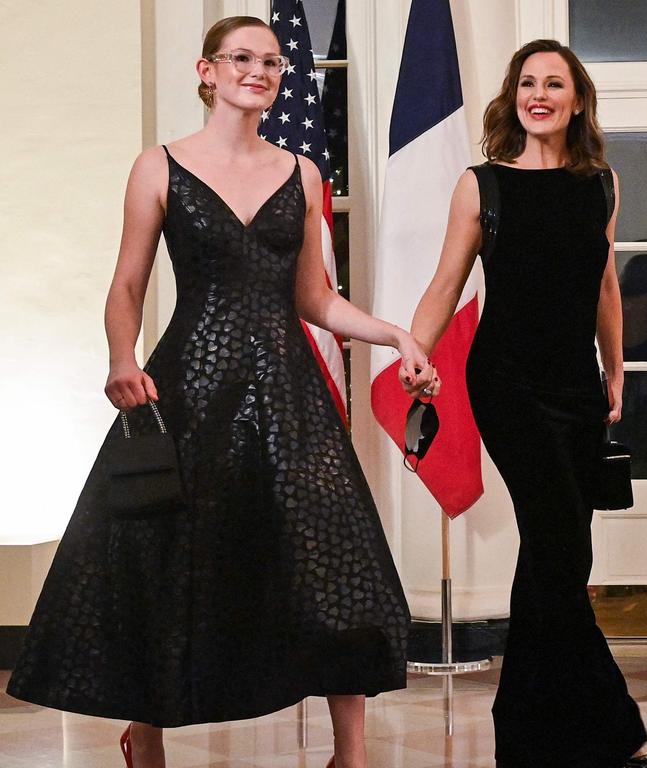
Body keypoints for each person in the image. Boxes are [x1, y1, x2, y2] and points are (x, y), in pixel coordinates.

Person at [6, 16, 433, 768]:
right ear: (207, 71)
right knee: (161, 556)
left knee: (335, 557)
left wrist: (394, 335)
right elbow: (128, 284)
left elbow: (315, 298)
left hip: (287, 393)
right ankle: (148, 730)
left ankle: (352, 755)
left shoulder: (301, 173)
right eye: (241, 59)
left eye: (270, 62)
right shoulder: (158, 166)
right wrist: (118, 357)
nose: (258, 71)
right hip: (190, 389)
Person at [405, 39, 647, 768]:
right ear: (513, 97)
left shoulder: (600, 184)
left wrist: (615, 369)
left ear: (577, 100)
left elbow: (605, 285)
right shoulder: (481, 185)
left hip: (576, 383)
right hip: (507, 382)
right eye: (527, 83)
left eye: (554, 83)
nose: (538, 94)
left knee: (556, 556)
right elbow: (446, 284)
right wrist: (415, 350)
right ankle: (610, 735)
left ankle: (525, 732)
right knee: (559, 546)